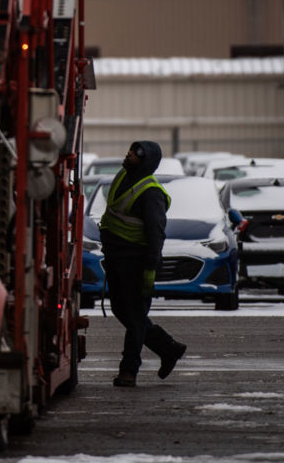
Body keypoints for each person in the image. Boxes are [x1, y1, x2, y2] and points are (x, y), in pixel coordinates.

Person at [98, 140, 187, 386]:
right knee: (121, 310)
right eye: (130, 149)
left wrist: (150, 267)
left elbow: (156, 232)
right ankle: (168, 348)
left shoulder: (151, 192)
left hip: (136, 262)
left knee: (135, 317)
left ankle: (129, 371)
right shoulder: (123, 176)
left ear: (146, 160)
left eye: (136, 153)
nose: (128, 154)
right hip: (116, 258)